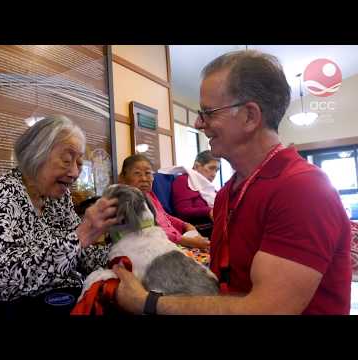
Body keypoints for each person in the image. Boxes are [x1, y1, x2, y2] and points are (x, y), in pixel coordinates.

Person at [112, 50, 351, 315]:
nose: (199, 123)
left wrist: (147, 301)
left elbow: (268, 310)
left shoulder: (303, 190)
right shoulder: (228, 192)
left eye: (208, 112)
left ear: (250, 116)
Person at [0, 115, 118, 302]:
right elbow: (4, 281)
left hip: (54, 295)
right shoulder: (6, 191)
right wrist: (82, 235)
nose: (75, 173)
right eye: (67, 160)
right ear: (36, 155)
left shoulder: (58, 197)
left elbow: (80, 254)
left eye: (78, 163)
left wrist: (122, 253)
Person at [119, 154, 210, 250]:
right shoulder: (127, 201)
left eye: (148, 173)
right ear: (123, 178)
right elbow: (150, 233)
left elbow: (163, 215)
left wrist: (185, 225)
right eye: (137, 173)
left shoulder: (149, 194)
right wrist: (187, 241)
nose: (144, 179)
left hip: (175, 242)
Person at [172, 150, 220, 224]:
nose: (214, 174)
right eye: (211, 168)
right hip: (198, 228)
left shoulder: (210, 188)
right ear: (197, 166)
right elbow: (183, 211)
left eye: (216, 170)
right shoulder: (183, 180)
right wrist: (208, 211)